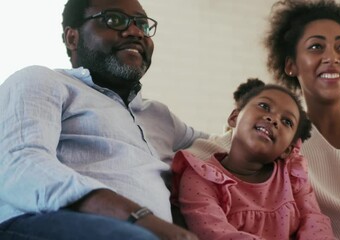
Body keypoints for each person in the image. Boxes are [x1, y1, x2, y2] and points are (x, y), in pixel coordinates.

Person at [187, 0, 340, 239]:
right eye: (316, 47)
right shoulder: (282, 142)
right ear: (291, 65)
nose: (332, 57)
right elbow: (205, 152)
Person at [0, 0, 207, 239]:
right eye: (114, 19)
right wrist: (140, 219)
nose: (135, 32)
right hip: (39, 223)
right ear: (72, 38)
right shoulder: (42, 81)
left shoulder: (161, 117)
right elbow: (18, 164)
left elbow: (229, 146)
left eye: (142, 24)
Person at [171, 78, 335, 239]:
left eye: (287, 121)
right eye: (264, 106)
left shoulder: (292, 176)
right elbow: (215, 233)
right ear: (234, 118)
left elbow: (315, 221)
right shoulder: (200, 177)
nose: (274, 119)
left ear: (287, 150)